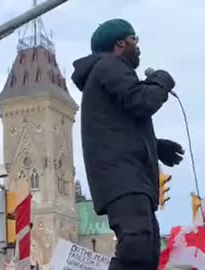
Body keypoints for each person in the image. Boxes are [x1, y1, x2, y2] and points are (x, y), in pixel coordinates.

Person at [71, 19, 184, 270]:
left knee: (147, 252)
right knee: (136, 248)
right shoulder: (110, 65)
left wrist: (154, 146)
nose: (138, 46)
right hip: (123, 178)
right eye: (135, 39)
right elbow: (140, 101)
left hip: (127, 178)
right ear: (121, 42)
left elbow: (115, 130)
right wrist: (161, 80)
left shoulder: (103, 73)